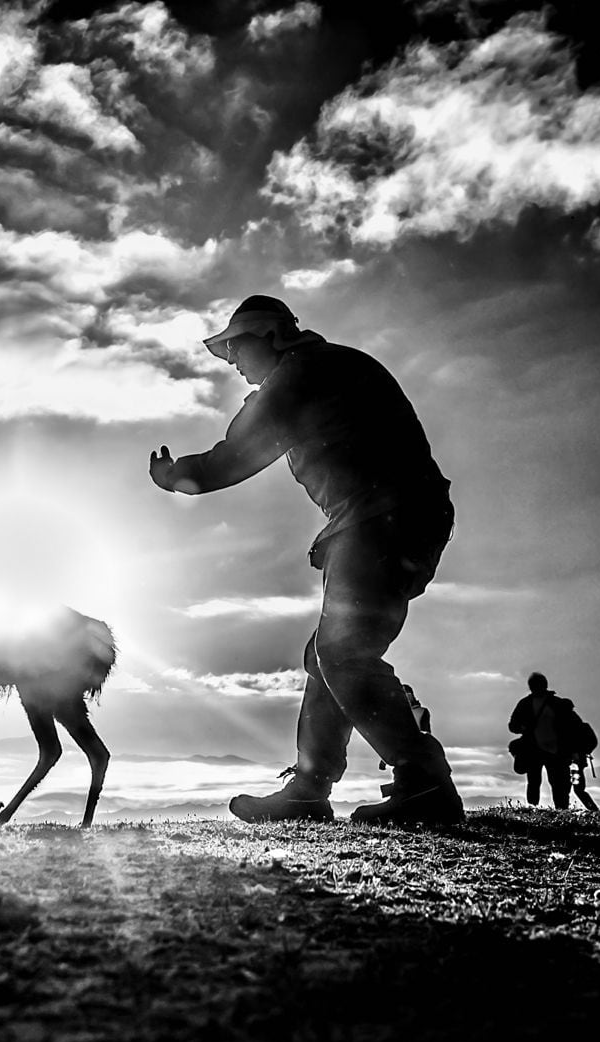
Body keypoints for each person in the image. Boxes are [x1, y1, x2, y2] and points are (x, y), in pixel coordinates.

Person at [149, 295, 460, 825]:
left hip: (381, 520)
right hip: (393, 520)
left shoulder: (301, 374)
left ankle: (423, 781)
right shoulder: (330, 368)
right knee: (329, 653)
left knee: (341, 652)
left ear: (270, 336)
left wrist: (179, 476)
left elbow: (237, 454)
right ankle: (309, 790)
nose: (233, 363)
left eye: (236, 348)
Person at [507, 672, 575, 809]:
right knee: (553, 783)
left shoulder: (526, 703)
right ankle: (561, 810)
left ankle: (536, 809)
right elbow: (570, 727)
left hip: (541, 749)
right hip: (549, 749)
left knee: (538, 782)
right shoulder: (557, 703)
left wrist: (523, 728)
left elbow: (512, 725)